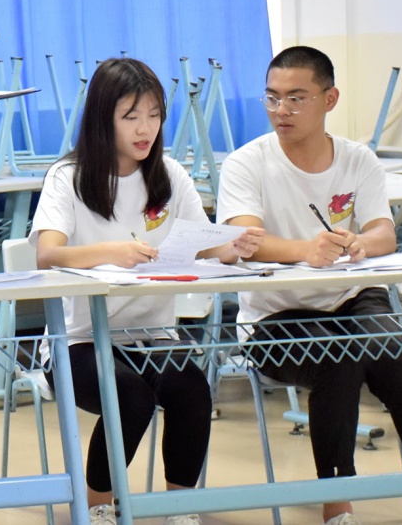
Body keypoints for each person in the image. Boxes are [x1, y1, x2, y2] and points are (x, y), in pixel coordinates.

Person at [215, 46, 402, 525]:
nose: (282, 110)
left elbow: (384, 232)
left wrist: (361, 243)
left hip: (353, 297)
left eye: (296, 98)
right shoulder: (247, 163)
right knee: (337, 359)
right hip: (275, 317)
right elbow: (245, 241)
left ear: (330, 99)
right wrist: (306, 250)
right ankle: (337, 509)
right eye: (272, 98)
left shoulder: (358, 159)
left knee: (395, 361)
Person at [31, 58, 264, 525]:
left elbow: (203, 243)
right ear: (103, 119)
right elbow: (47, 254)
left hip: (153, 337)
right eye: (131, 116)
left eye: (154, 115)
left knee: (192, 389)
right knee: (129, 396)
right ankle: (97, 506)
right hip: (78, 342)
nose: (145, 129)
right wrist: (111, 252)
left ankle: (179, 508)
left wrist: (233, 247)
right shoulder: (68, 176)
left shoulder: (170, 174)